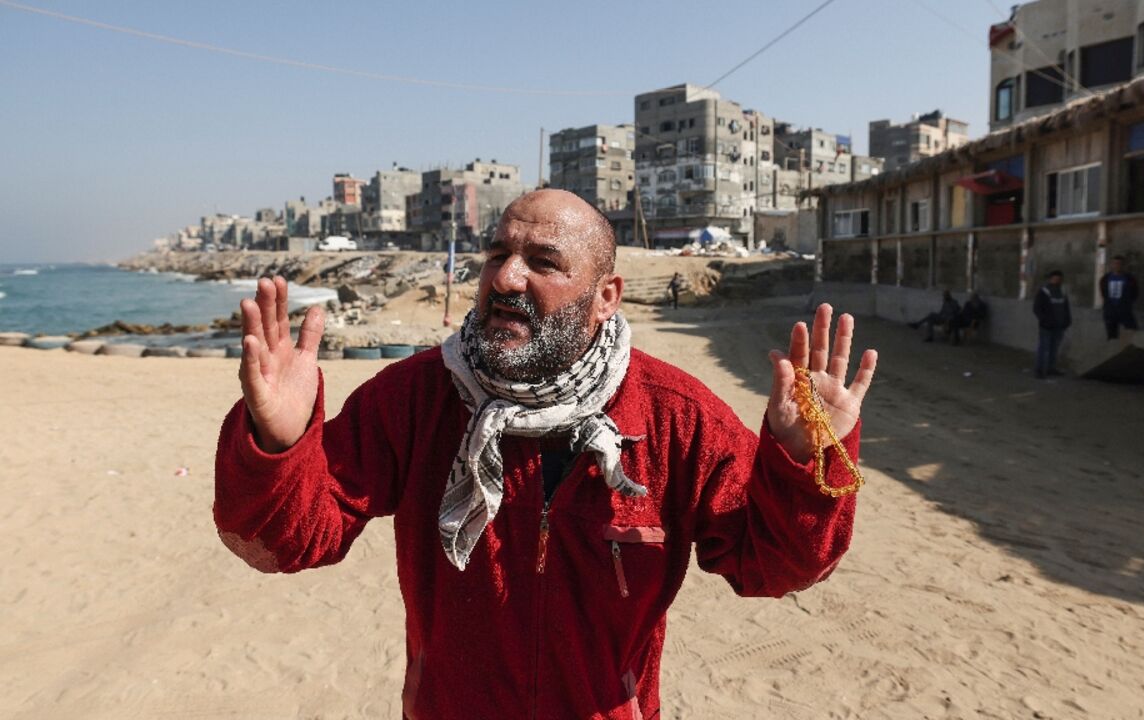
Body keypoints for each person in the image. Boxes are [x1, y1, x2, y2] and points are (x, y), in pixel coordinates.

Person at [213, 189, 878, 718]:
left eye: (543, 262)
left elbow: (775, 565)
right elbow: (286, 539)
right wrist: (277, 440)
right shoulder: (416, 397)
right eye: (498, 253)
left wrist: (802, 462)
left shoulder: (676, 416)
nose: (505, 277)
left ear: (605, 297)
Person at [1032, 270, 1071, 379]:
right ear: (1050, 279)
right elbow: (1037, 308)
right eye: (1055, 279)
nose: (1057, 281)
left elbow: (1066, 307)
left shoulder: (1062, 291)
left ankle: (1050, 368)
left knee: (1054, 348)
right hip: (1046, 326)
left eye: (1059, 279)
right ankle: (1039, 370)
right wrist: (1044, 320)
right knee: (1044, 348)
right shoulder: (1044, 291)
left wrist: (1067, 320)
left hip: (1059, 325)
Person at [1099, 255, 1139, 340]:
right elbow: (1104, 293)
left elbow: (1134, 293)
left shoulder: (1129, 279)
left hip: (1124, 309)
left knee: (1132, 330)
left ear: (1123, 265)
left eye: (1119, 264)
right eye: (1115, 264)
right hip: (1110, 310)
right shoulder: (1105, 279)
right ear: (1111, 265)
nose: (1117, 266)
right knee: (1112, 335)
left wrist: (1127, 303)